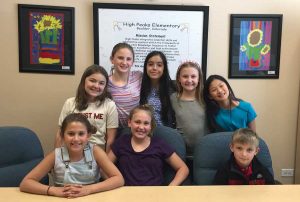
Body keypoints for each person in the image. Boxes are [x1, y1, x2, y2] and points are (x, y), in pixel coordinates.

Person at [20, 113, 124, 198]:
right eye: (71, 134)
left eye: (81, 134)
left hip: (92, 197)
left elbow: (118, 179)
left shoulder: (95, 152)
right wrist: (52, 190)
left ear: (88, 136)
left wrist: (89, 189)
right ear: (62, 135)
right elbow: (26, 183)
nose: (76, 139)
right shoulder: (56, 155)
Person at [108, 104, 189, 186]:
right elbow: (104, 168)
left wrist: (171, 187)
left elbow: (183, 168)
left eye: (146, 123)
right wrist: (115, 184)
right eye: (137, 122)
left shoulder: (159, 144)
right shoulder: (121, 142)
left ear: (151, 126)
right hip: (126, 194)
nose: (141, 127)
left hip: (155, 194)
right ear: (129, 122)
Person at [55, 64, 118, 153]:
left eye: (101, 83)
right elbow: (60, 134)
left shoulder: (110, 105)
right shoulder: (70, 103)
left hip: (97, 155)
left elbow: (110, 139)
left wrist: (105, 163)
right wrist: (58, 159)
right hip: (72, 152)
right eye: (92, 81)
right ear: (84, 81)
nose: (96, 86)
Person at [170, 61, 209, 157]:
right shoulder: (173, 98)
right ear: (179, 78)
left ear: (199, 78)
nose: (189, 80)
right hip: (181, 151)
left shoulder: (207, 98)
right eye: (185, 76)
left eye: (193, 76)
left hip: (205, 150)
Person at [108, 42, 142, 128]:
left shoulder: (139, 76)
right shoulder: (105, 82)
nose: (124, 62)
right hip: (115, 130)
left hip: (136, 129)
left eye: (128, 59)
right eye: (120, 58)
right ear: (112, 59)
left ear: (133, 62)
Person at [140, 51, 176, 128]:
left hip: (166, 134)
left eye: (159, 65)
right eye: (150, 64)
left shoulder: (173, 88)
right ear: (145, 66)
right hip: (144, 133)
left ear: (164, 68)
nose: (154, 68)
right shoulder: (139, 87)